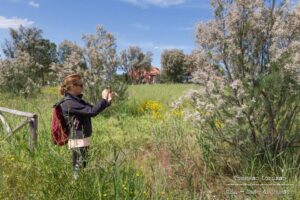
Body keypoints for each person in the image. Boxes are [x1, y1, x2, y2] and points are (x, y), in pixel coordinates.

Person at [59, 74, 112, 179]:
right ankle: (75, 189)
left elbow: (93, 108)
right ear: (72, 86)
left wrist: (107, 102)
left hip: (82, 139)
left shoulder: (76, 101)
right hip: (78, 140)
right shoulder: (69, 102)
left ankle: (78, 187)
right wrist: (103, 99)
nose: (82, 87)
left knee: (82, 167)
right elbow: (92, 112)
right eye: (80, 85)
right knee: (78, 170)